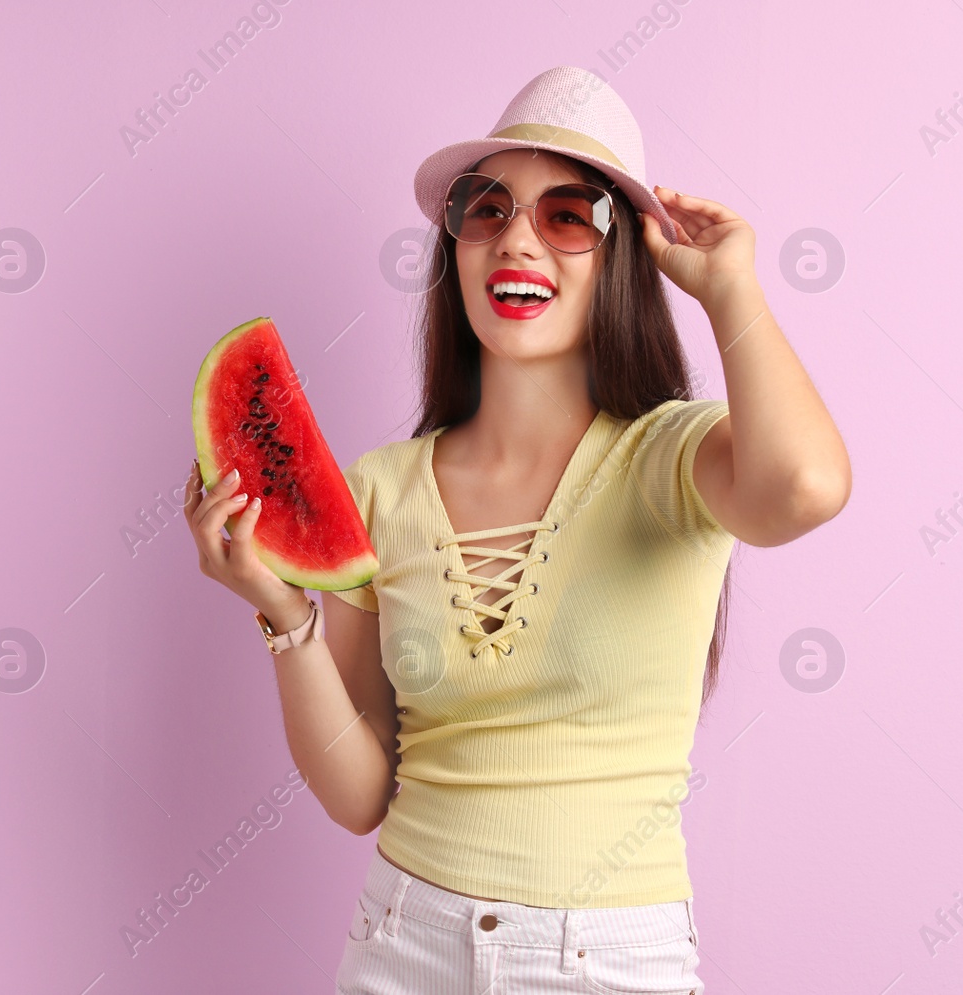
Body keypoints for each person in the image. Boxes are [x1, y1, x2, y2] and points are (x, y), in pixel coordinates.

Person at [182, 66, 850, 993]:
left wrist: (728, 288)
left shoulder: (671, 458)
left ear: (623, 254)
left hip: (612, 962)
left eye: (567, 214)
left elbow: (806, 487)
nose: (517, 239)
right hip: (401, 945)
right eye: (486, 209)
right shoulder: (379, 489)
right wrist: (281, 610)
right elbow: (359, 794)